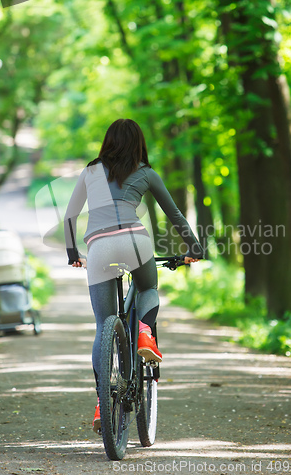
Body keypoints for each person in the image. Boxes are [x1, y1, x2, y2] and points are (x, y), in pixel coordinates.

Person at [64, 119, 203, 434]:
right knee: (148, 286)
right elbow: (175, 214)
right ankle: (144, 333)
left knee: (103, 325)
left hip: (98, 247)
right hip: (135, 241)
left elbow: (70, 215)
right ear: (139, 143)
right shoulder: (146, 172)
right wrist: (194, 248)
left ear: (107, 142)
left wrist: (73, 254)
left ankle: (103, 400)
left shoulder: (91, 171)